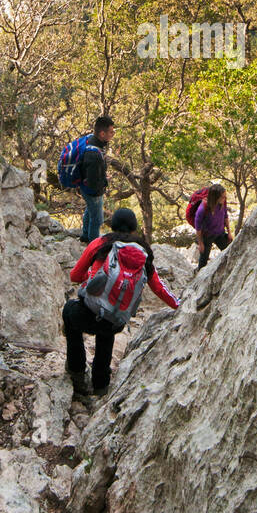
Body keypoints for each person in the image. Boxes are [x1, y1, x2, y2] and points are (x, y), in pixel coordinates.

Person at [63, 207, 180, 396]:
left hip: (88, 313)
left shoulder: (100, 244)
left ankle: (77, 373)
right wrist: (179, 304)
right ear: (134, 227)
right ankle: (101, 384)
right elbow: (158, 287)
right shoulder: (143, 252)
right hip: (116, 320)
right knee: (108, 325)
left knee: (69, 311)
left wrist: (92, 278)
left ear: (112, 225)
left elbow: (74, 276)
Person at [80, 115, 115, 243]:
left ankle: (85, 236)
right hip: (92, 191)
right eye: (111, 132)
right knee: (97, 219)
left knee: (90, 211)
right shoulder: (94, 154)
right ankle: (93, 246)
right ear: (102, 133)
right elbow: (93, 182)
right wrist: (104, 181)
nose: (113, 134)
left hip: (84, 186)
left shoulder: (92, 141)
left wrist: (102, 175)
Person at [194, 182, 233, 270]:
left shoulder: (222, 203)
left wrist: (229, 232)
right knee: (203, 261)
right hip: (207, 236)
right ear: (215, 197)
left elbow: (225, 216)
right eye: (222, 197)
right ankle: (199, 274)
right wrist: (200, 243)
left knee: (230, 252)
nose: (224, 199)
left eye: (225, 196)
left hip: (220, 233)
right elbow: (198, 228)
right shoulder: (202, 209)